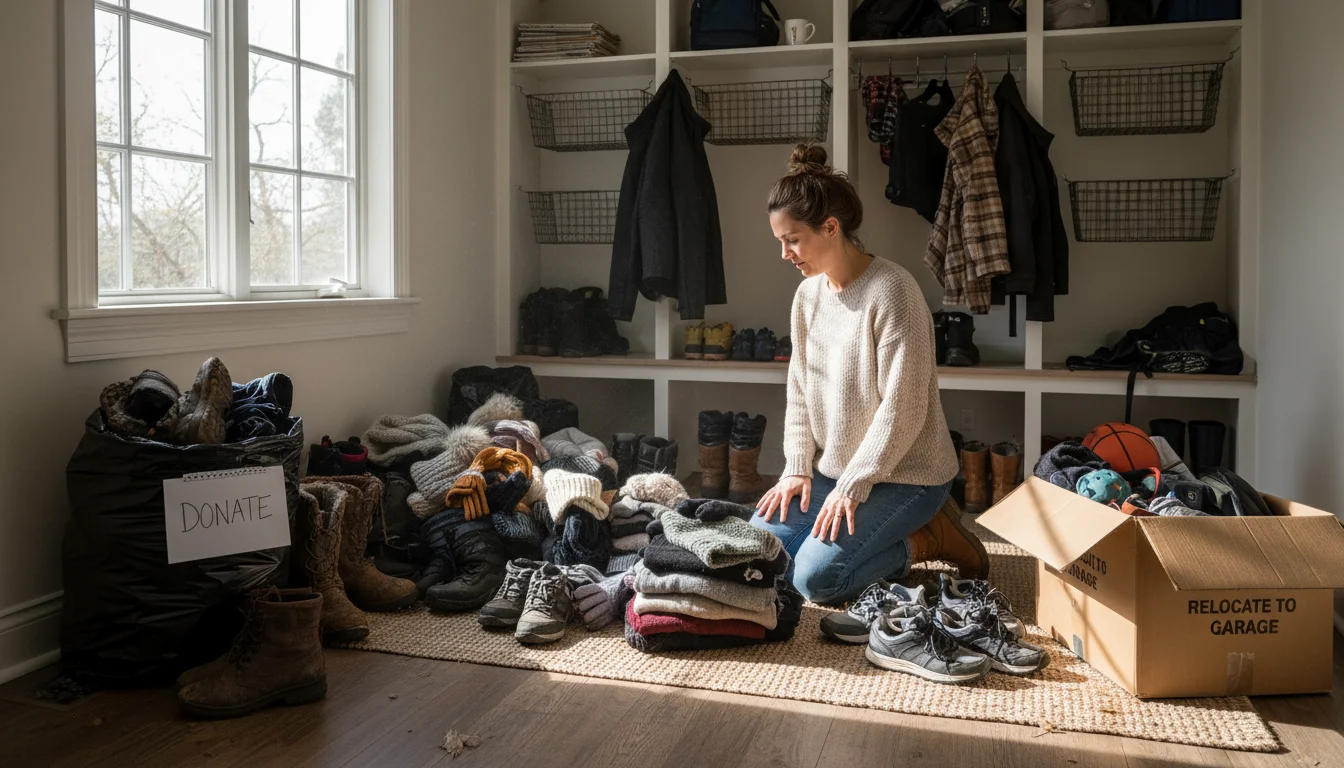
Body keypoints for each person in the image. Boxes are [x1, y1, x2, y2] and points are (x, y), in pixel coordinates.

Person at [750, 144, 988, 605]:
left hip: (907, 474)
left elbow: (903, 410)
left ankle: (931, 537)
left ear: (830, 228)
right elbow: (798, 388)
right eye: (780, 241)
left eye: (792, 239)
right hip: (832, 471)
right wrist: (797, 468)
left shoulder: (894, 291)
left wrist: (855, 486)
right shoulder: (807, 297)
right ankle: (859, 518)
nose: (785, 254)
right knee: (761, 560)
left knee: (816, 582)